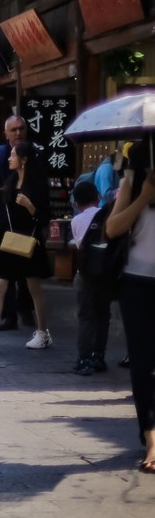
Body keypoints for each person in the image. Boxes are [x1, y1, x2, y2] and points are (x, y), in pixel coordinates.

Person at [101, 147, 155, 472]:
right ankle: (151, 438)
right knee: (144, 363)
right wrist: (143, 196)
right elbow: (111, 228)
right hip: (136, 285)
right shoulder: (132, 182)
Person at [0, 140, 53, 353]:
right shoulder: (9, 182)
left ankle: (43, 332)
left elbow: (45, 218)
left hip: (29, 242)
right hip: (9, 241)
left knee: (34, 288)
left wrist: (30, 206)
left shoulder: (37, 185)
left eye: (13, 155)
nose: (9, 158)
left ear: (24, 160)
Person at [0, 116, 38, 331]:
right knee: (3, 272)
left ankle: (26, 309)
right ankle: (8, 315)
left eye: (21, 129)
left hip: (25, 222)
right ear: (5, 133)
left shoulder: (33, 155)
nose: (17, 133)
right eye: (13, 130)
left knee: (27, 269)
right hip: (2, 222)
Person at [68, 179, 113, 376]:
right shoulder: (108, 215)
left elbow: (79, 247)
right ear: (97, 197)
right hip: (106, 274)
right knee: (103, 316)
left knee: (86, 317)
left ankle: (84, 359)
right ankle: (99, 357)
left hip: (85, 274)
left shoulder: (75, 221)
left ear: (77, 203)